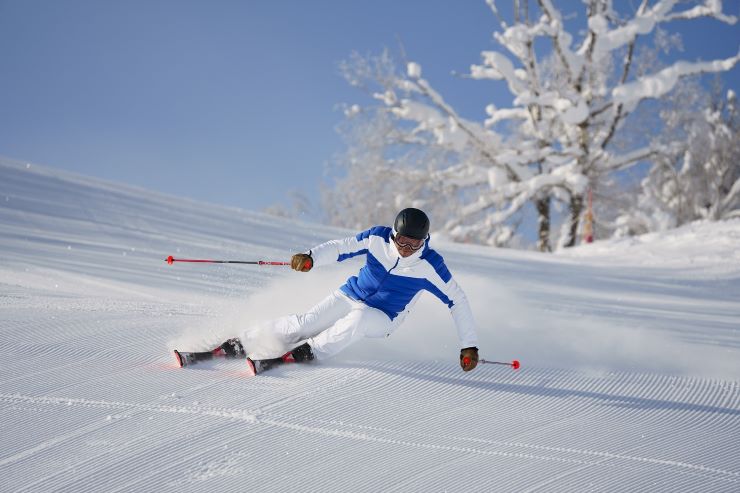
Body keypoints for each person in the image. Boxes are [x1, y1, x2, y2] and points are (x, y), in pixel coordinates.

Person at [174, 208, 480, 375]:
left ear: (424, 241)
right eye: (402, 241)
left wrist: (469, 346)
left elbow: (458, 301)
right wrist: (310, 257)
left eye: (414, 244)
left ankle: (309, 352)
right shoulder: (376, 238)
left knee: (358, 320)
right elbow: (341, 248)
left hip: (383, 316)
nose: (406, 249)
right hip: (351, 293)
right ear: (394, 233)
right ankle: (241, 342)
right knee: (303, 323)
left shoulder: (430, 265)